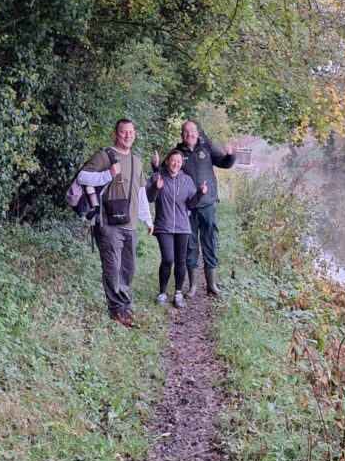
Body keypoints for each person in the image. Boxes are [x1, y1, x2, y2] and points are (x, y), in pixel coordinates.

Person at [78, 119, 153, 328]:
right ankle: (116, 310)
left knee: (128, 268)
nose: (127, 136)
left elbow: (140, 192)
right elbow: (83, 177)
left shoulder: (137, 161)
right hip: (108, 222)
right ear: (116, 134)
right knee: (113, 267)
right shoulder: (105, 156)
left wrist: (147, 218)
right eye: (123, 132)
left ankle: (126, 305)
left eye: (130, 132)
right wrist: (108, 173)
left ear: (134, 134)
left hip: (130, 224)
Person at [152, 121, 235, 296]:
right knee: (190, 245)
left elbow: (224, 163)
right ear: (182, 134)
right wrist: (155, 165)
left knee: (210, 241)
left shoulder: (207, 148)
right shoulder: (178, 152)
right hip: (187, 208)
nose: (190, 134)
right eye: (186, 132)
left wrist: (230, 155)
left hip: (207, 203)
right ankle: (193, 286)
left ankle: (212, 284)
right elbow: (164, 172)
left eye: (192, 131)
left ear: (197, 133)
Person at [146, 149, 207, 308]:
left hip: (182, 226)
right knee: (167, 259)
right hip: (163, 225)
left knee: (181, 260)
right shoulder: (158, 177)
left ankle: (178, 293)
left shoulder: (187, 180)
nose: (175, 164)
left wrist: (200, 193)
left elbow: (191, 204)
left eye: (179, 162)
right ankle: (162, 292)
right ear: (167, 161)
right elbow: (149, 198)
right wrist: (155, 188)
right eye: (173, 161)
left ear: (182, 164)